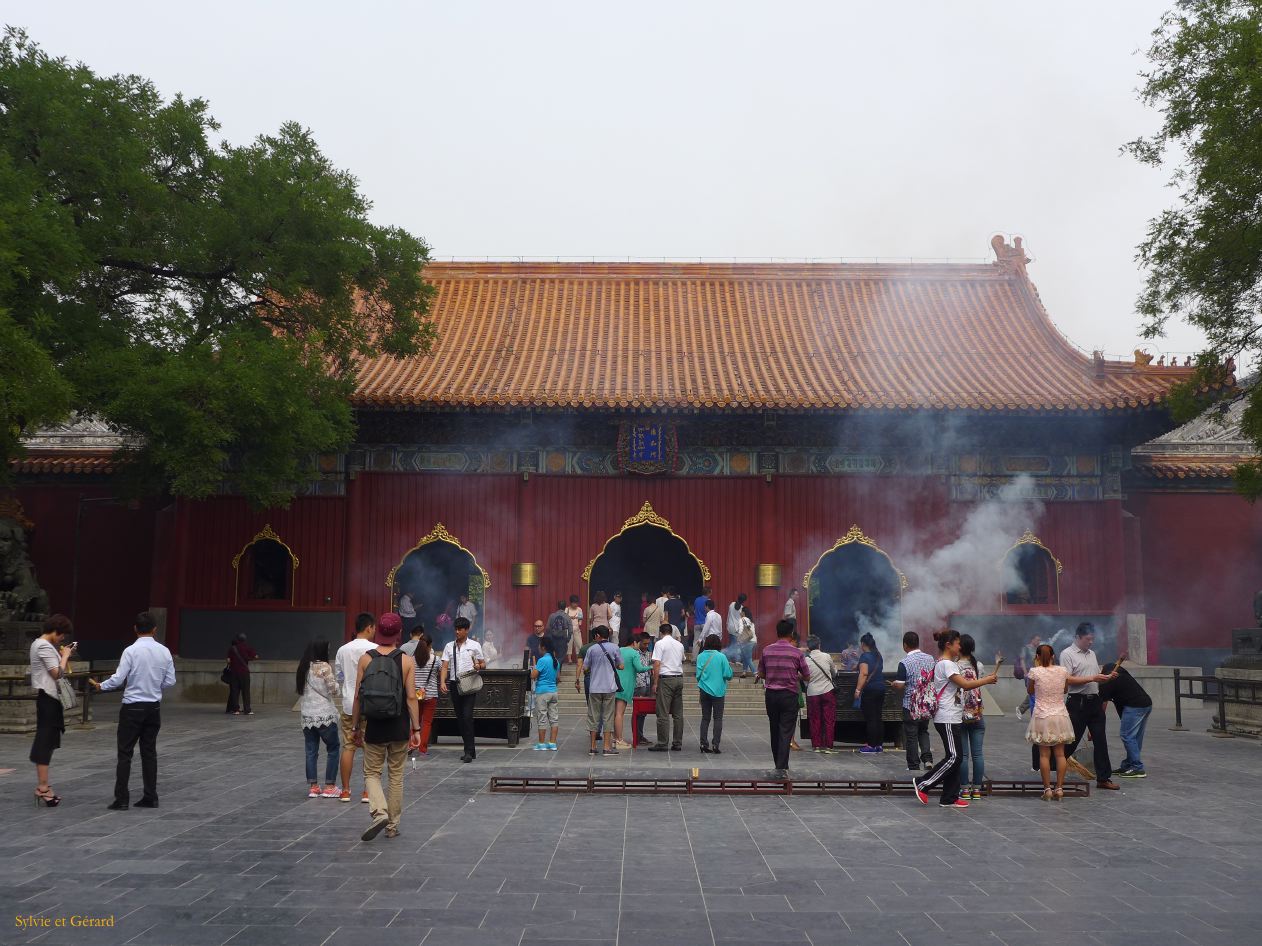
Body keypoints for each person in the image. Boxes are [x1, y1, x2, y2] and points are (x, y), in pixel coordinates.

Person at [89, 612, 176, 810]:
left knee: (125, 753)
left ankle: (122, 798)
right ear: (155, 629)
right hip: (153, 706)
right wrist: (154, 685)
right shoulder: (164, 651)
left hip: (133, 706)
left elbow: (119, 679)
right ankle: (151, 796)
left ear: (135, 629)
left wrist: (102, 686)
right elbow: (171, 681)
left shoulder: (130, 651)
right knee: (149, 752)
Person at [349, 613, 422, 841]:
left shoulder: (365, 659)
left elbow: (358, 697)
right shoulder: (407, 661)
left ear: (378, 631)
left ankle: (379, 811)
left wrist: (354, 727)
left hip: (374, 725)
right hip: (399, 725)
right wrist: (417, 729)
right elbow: (411, 698)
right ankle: (392, 825)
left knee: (371, 772)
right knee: (396, 775)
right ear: (399, 634)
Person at [911, 629, 998, 810]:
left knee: (956, 757)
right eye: (957, 643)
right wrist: (987, 680)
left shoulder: (945, 663)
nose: (960, 646)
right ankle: (923, 783)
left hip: (952, 716)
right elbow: (965, 685)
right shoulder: (947, 665)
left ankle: (949, 797)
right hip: (947, 716)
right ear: (948, 644)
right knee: (955, 757)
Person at [1027, 643, 1114, 800]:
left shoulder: (1034, 672)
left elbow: (1030, 691)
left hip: (1042, 716)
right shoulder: (1062, 671)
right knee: (1060, 754)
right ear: (1053, 656)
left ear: (1037, 657)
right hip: (1060, 715)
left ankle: (1047, 789)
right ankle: (1059, 788)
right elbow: (1065, 690)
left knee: (1044, 755)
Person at [1060, 622, 1120, 791]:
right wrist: (1093, 678)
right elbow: (1067, 679)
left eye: (1092, 639)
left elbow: (1093, 675)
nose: (1091, 642)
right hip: (1077, 702)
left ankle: (1103, 777)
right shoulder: (1067, 654)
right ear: (1078, 637)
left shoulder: (1092, 654)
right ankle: (1057, 768)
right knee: (1071, 740)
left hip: (1095, 701)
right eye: (1088, 639)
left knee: (1100, 739)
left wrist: (1107, 677)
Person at [29, 614, 76, 807]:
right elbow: (57, 673)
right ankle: (43, 787)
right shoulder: (42, 646)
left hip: (50, 699)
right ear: (56, 631)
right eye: (62, 635)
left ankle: (44, 785)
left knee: (47, 741)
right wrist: (65, 656)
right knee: (45, 741)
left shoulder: (42, 645)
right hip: (48, 699)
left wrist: (63, 654)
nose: (63, 638)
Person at [757, 620, 810, 779]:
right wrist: (796, 675)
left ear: (777, 633)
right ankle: (782, 766)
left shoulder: (767, 650)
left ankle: (778, 764)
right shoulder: (796, 653)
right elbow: (807, 676)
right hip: (789, 695)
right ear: (791, 633)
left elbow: (761, 673)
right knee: (786, 731)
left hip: (771, 695)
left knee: (774, 729)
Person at [335, 613, 378, 803]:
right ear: (369, 627)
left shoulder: (342, 650)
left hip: (348, 705)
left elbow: (340, 677)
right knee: (370, 748)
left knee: (348, 746)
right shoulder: (376, 649)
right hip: (370, 704)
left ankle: (345, 790)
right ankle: (368, 792)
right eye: (374, 628)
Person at [297, 639, 342, 798]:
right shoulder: (324, 667)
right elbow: (334, 690)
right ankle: (330, 786)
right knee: (333, 748)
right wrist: (338, 683)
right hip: (324, 714)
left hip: (307, 715)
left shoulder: (304, 667)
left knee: (311, 751)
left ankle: (313, 786)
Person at [440, 616, 487, 762]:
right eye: (456, 629)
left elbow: (483, 663)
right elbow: (445, 666)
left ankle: (468, 751)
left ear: (467, 630)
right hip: (455, 683)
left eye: (460, 629)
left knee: (467, 717)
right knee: (460, 719)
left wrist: (478, 666)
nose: (457, 632)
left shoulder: (474, 645)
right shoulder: (449, 646)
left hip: (469, 684)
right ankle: (469, 749)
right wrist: (443, 681)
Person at [891, 631, 935, 772]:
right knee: (924, 731)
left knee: (911, 735)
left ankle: (913, 765)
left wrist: (894, 684)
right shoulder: (930, 659)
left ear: (905, 645)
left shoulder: (904, 663)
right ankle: (927, 759)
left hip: (910, 705)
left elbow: (900, 684)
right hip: (927, 703)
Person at [1101, 660, 1152, 778]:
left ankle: (1137, 767)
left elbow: (1102, 707)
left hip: (1134, 706)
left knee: (1127, 735)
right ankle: (1128, 765)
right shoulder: (1123, 675)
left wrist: (1095, 727)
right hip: (1146, 704)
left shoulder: (1108, 682)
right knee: (1135, 737)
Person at [579, 625, 623, 755]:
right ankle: (606, 747)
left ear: (597, 635)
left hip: (595, 687)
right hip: (609, 687)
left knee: (593, 716)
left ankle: (592, 747)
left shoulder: (591, 649)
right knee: (608, 716)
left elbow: (585, 668)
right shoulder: (615, 648)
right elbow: (621, 665)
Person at [956, 634, 987, 799]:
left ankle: (964, 789)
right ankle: (977, 789)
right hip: (977, 714)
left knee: (963, 754)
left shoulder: (953, 666)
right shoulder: (979, 665)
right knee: (978, 754)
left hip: (960, 714)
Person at [649, 620, 686, 751]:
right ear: (671, 632)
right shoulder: (679, 645)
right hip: (679, 679)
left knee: (663, 712)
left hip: (666, 679)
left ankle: (663, 742)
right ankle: (677, 742)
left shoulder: (659, 644)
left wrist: (655, 682)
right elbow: (682, 660)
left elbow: (657, 664)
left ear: (661, 632)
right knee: (678, 713)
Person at [613, 631, 652, 748]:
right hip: (625, 686)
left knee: (615, 714)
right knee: (620, 714)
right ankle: (619, 740)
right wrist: (651, 666)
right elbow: (639, 668)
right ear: (634, 642)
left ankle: (615, 738)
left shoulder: (618, 650)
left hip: (615, 684)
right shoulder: (634, 653)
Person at [696, 635, 734, 753]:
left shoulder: (700, 656)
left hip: (704, 690)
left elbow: (698, 675)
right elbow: (728, 675)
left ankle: (703, 744)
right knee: (718, 718)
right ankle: (715, 745)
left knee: (705, 718)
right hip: (718, 692)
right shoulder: (721, 657)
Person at [853, 632, 887, 753]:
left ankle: (871, 745)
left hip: (870, 690)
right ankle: (879, 745)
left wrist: (857, 690)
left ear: (863, 644)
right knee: (878, 717)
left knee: (871, 718)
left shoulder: (864, 656)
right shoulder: (878, 655)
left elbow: (864, 673)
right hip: (881, 688)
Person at [803, 635, 836, 753]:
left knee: (814, 719)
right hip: (827, 691)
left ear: (808, 647)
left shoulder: (806, 660)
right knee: (829, 719)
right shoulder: (826, 656)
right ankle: (828, 746)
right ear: (819, 645)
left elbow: (804, 677)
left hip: (812, 692)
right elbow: (834, 672)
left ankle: (816, 745)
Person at [412, 634, 439, 759]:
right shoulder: (435, 659)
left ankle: (412, 744)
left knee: (415, 721)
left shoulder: (412, 659)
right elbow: (439, 672)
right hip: (430, 693)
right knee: (427, 722)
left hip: (415, 694)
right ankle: (422, 748)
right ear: (430, 645)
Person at [531, 638, 560, 750]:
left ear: (543, 647)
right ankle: (552, 743)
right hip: (553, 691)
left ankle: (541, 743)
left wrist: (534, 669)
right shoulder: (555, 660)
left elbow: (533, 675)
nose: (538, 647)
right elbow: (558, 677)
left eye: (539, 646)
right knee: (554, 718)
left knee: (542, 717)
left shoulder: (542, 660)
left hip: (542, 692)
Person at [224, 633, 258, 715]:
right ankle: (247, 709)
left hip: (234, 673)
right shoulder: (248, 647)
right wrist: (249, 658)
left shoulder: (232, 649)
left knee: (235, 691)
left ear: (237, 639)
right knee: (246, 691)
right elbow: (256, 657)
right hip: (244, 672)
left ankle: (236, 710)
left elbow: (228, 660)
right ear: (245, 639)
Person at [727, 606, 756, 677]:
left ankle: (756, 674)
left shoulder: (742, 619)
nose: (740, 613)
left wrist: (738, 639)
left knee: (748, 658)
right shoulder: (751, 621)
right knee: (745, 657)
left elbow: (740, 630)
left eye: (741, 611)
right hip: (753, 641)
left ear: (743, 613)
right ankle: (744, 672)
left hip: (747, 642)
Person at [546, 602, 570, 674]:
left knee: (552, 656)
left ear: (558, 606)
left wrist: (549, 638)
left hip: (552, 638)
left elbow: (547, 628)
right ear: (565, 607)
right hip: (562, 639)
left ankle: (553, 672)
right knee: (560, 657)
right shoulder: (567, 617)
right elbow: (571, 630)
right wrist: (568, 639)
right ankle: (558, 673)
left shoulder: (552, 616)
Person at [565, 594, 584, 663]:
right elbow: (564, 619)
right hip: (568, 630)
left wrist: (579, 624)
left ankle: (578, 659)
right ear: (571, 603)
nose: (575, 604)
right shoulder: (567, 609)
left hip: (576, 629)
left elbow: (581, 619)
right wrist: (570, 618)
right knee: (569, 644)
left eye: (577, 603)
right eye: (574, 603)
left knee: (579, 644)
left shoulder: (579, 609)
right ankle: (569, 659)